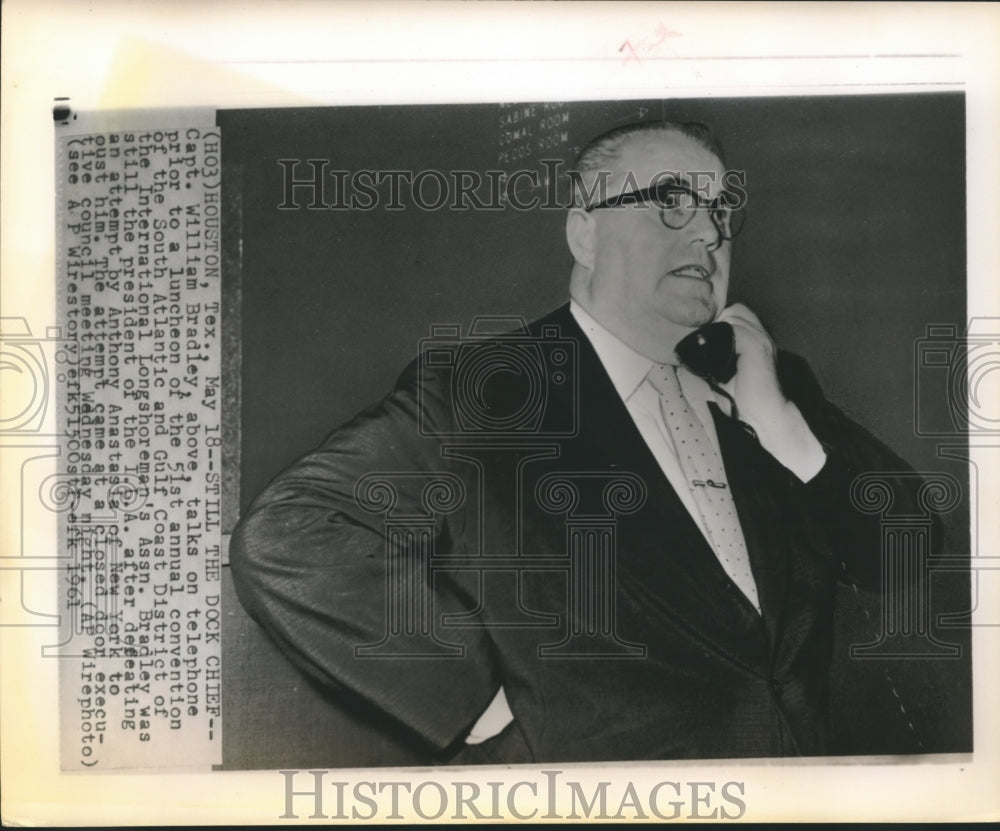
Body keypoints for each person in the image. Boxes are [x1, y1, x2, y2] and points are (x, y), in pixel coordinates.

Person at [230, 120, 924, 763]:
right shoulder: (486, 391)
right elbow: (287, 534)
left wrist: (782, 427)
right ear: (585, 235)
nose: (709, 234)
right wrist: (484, 702)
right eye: (672, 201)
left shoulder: (766, 378)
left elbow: (908, 552)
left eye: (721, 211)